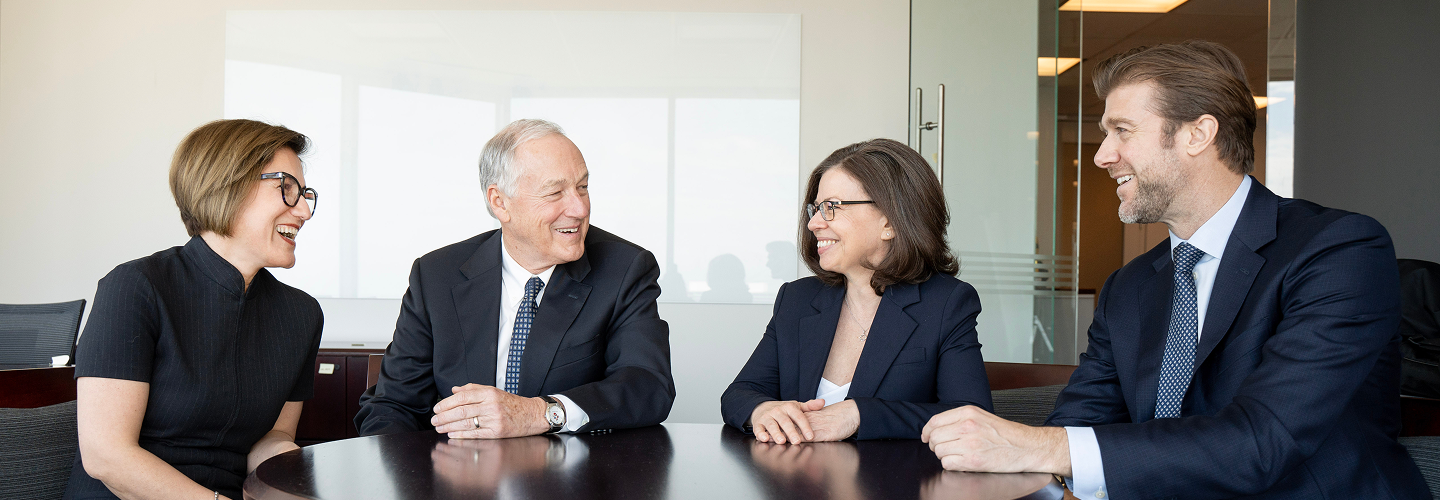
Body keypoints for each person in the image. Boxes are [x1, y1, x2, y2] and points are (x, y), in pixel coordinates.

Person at [921, 41, 1430, 499]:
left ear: (1198, 134)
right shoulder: (1131, 285)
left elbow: (1262, 443)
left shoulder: (1338, 251)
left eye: (1122, 131)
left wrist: (1038, 448)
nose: (1102, 156)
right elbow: (1081, 419)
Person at [355, 119, 674, 438]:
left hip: (573, 480)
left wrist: (542, 412)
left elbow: (647, 386)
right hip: (459, 478)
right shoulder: (436, 276)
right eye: (554, 192)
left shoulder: (625, 268)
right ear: (499, 202)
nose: (579, 209)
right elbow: (394, 406)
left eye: (582, 187)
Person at [67, 119, 323, 500]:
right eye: (286, 188)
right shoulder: (136, 286)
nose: (303, 210)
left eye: (305, 194)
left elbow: (274, 437)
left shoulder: (302, 314)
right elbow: (107, 456)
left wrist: (298, 484)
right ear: (226, 186)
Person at [721, 138, 992, 443]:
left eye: (831, 207)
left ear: (889, 221)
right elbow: (739, 394)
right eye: (815, 208)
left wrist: (859, 415)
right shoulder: (797, 299)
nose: (813, 223)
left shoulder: (946, 303)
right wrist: (762, 410)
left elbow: (971, 416)